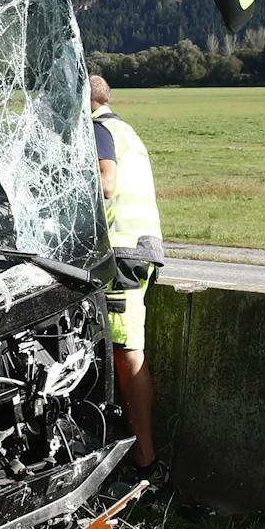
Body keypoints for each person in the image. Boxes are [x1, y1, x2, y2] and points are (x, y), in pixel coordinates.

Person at [89, 74, 166, 493]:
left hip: (120, 254)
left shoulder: (98, 130)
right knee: (123, 350)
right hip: (139, 249)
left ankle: (144, 462)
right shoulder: (126, 129)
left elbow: (105, 183)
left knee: (126, 353)